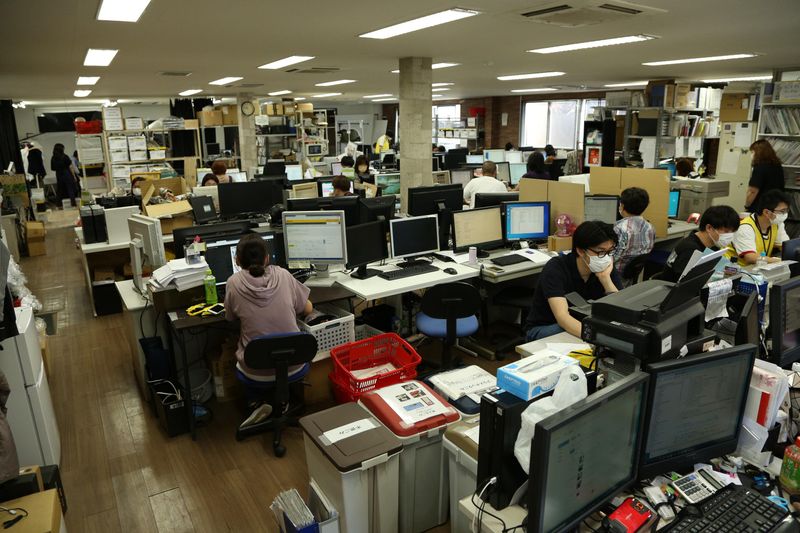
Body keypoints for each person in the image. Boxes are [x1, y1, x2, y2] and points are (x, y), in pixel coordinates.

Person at [225, 234, 313, 423]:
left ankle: (256, 402)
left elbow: (230, 317)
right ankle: (284, 403)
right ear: (267, 258)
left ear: (237, 260)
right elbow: (307, 309)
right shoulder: (284, 275)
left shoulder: (233, 283)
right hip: (294, 365)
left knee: (242, 347)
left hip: (255, 370)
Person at [524, 221, 621, 340]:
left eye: (610, 251)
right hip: (546, 327)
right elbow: (563, 318)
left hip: (582, 323)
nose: (606, 257)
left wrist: (605, 279)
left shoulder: (605, 267)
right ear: (581, 251)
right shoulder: (556, 268)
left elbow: (621, 312)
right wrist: (597, 338)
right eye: (601, 251)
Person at [661, 205, 740, 283]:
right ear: (709, 228)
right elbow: (684, 284)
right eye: (726, 231)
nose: (730, 235)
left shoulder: (713, 246)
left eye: (732, 232)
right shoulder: (689, 249)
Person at [727, 189, 790, 265]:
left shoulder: (777, 223)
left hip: (758, 267)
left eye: (787, 210)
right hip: (733, 268)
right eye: (782, 211)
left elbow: (786, 246)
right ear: (766, 212)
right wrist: (778, 261)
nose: (785, 214)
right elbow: (750, 257)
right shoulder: (745, 227)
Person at [613, 187, 655, 283]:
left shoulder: (619, 228)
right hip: (630, 279)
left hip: (614, 277)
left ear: (622, 206)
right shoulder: (650, 227)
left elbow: (612, 258)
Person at [745, 139, 784, 212]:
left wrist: (747, 205)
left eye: (752, 152)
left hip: (760, 207)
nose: (751, 155)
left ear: (758, 153)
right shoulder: (777, 166)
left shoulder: (759, 168)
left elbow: (753, 191)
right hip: (776, 205)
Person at [51, 143, 78, 207]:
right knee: (70, 189)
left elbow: (52, 168)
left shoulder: (53, 158)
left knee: (59, 190)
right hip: (66, 173)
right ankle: (73, 204)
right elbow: (70, 167)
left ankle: (59, 204)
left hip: (58, 174)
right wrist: (74, 176)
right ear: (61, 149)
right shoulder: (65, 156)